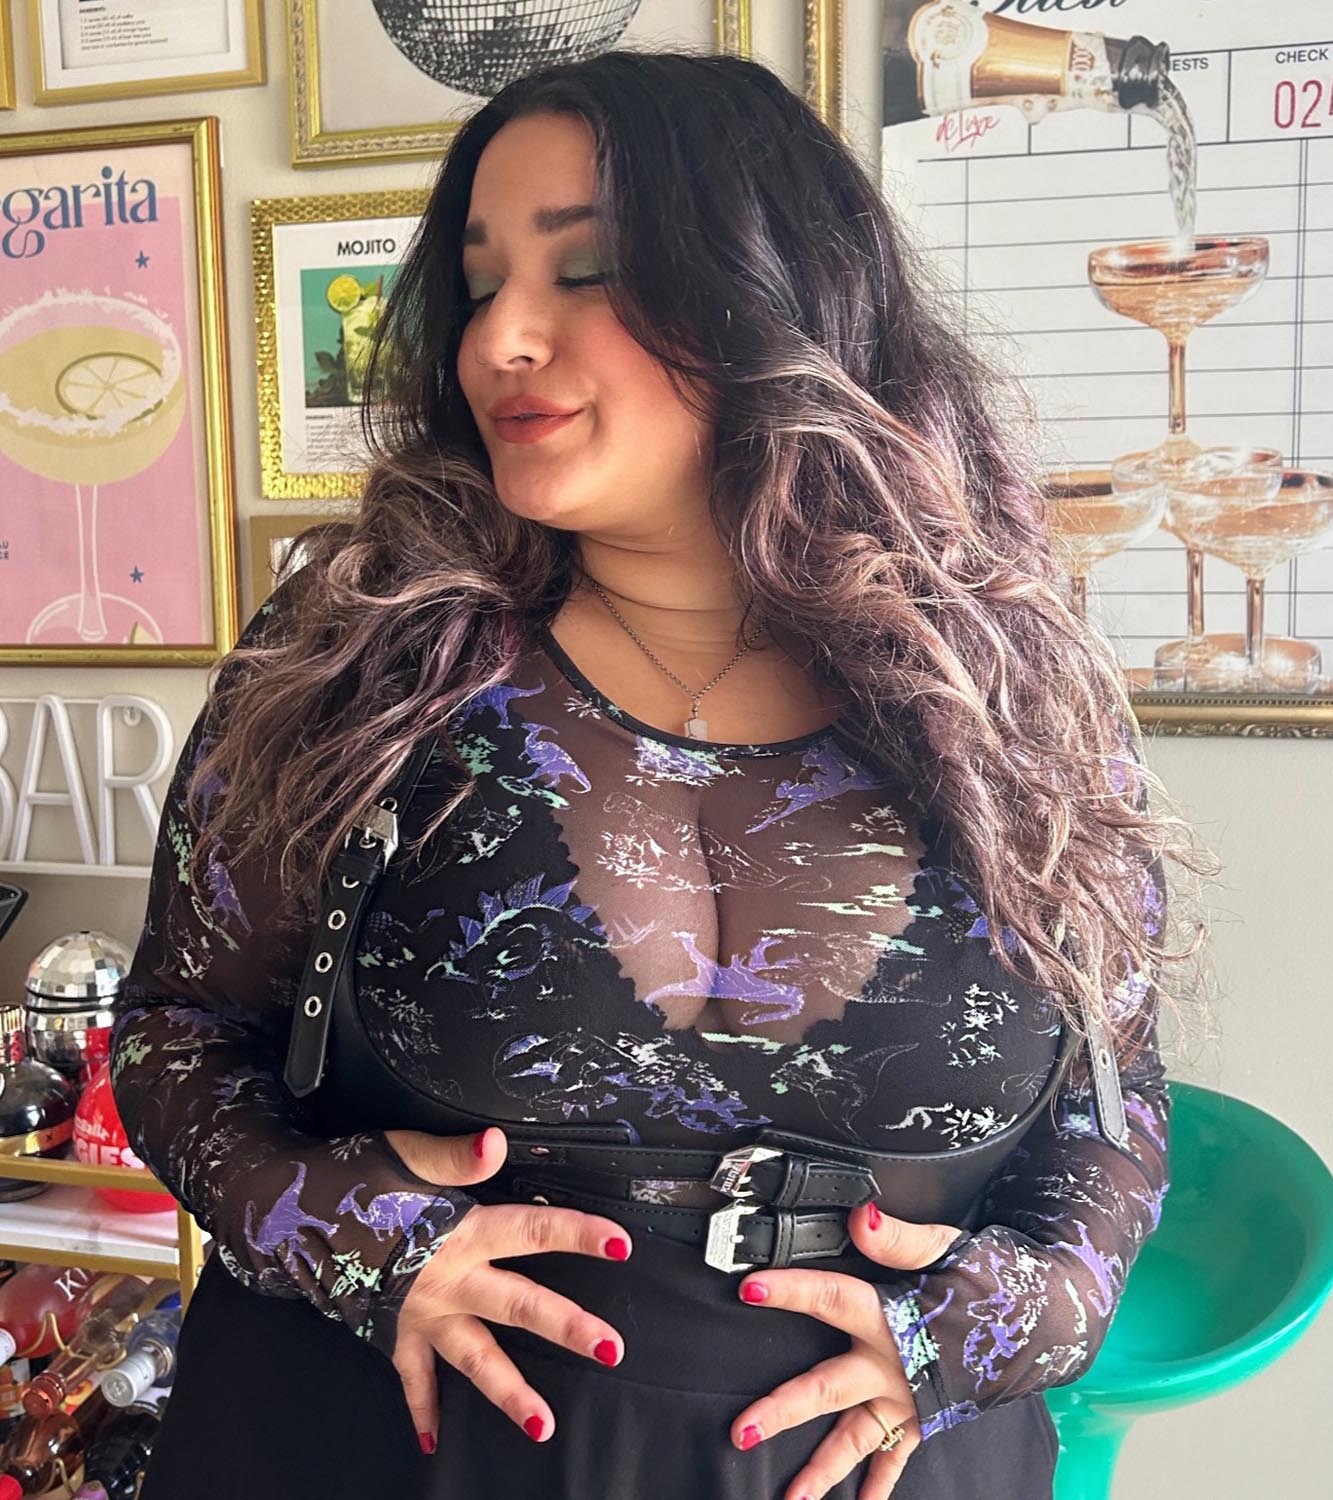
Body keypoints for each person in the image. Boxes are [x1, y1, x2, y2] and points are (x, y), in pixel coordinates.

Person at [112, 49, 1210, 1500]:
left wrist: (1004, 1323)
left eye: (586, 272)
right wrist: (357, 1241)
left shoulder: (1004, 683)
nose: (500, 337)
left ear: (771, 296)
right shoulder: (358, 651)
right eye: (480, 283)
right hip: (384, 1444)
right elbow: (175, 1031)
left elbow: (1115, 1107)